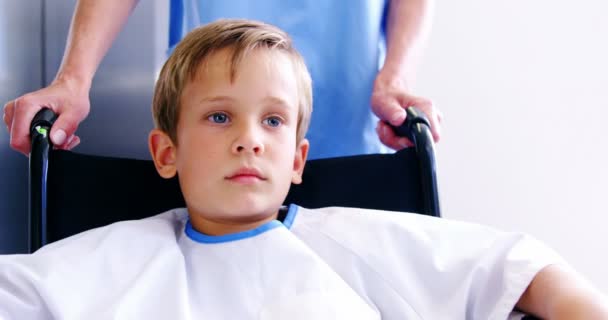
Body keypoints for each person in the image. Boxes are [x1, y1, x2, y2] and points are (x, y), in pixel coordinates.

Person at [1, 20, 606, 319]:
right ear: (167, 153)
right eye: (218, 119)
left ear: (296, 160)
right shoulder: (115, 261)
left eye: (272, 122)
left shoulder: (358, 243)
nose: (248, 142)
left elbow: (525, 267)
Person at [3, 0, 441, 159]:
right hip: (205, 126)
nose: (252, 142)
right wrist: (73, 80)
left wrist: (394, 79)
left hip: (347, 122)